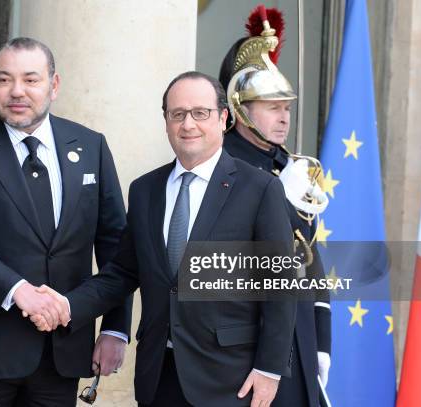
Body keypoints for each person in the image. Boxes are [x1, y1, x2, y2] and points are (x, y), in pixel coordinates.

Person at [32, 71, 297, 407]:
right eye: (178, 114)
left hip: (231, 380)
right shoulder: (145, 191)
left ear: (223, 118)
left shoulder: (259, 189)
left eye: (200, 113)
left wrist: (270, 369)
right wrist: (67, 306)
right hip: (159, 375)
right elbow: (123, 274)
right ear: (166, 121)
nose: (188, 124)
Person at [0, 37, 132, 406]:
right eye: (4, 79)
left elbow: (117, 249)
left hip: (63, 355)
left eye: (30, 79)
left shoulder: (91, 147)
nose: (16, 91)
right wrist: (18, 290)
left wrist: (115, 328)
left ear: (54, 85)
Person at [219, 6, 332, 407]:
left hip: (299, 335)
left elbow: (311, 259)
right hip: (251, 342)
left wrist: (322, 339)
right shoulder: (225, 168)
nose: (285, 117)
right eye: (273, 107)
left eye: (287, 107)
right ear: (240, 109)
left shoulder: (288, 165)